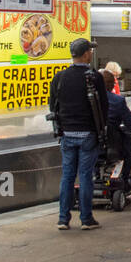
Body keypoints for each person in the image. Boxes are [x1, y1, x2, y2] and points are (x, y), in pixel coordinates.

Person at [48, 38, 108, 230]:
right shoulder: (94, 77)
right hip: (88, 134)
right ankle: (86, 218)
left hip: (67, 134)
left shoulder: (59, 77)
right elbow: (103, 107)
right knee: (85, 176)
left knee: (67, 176)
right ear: (85, 54)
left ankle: (63, 219)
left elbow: (53, 105)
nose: (91, 53)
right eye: (90, 51)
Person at [101, 69, 131, 181]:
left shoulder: (88, 100)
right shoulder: (117, 101)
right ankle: (125, 176)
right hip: (113, 145)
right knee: (128, 141)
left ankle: (96, 175)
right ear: (111, 85)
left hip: (92, 144)